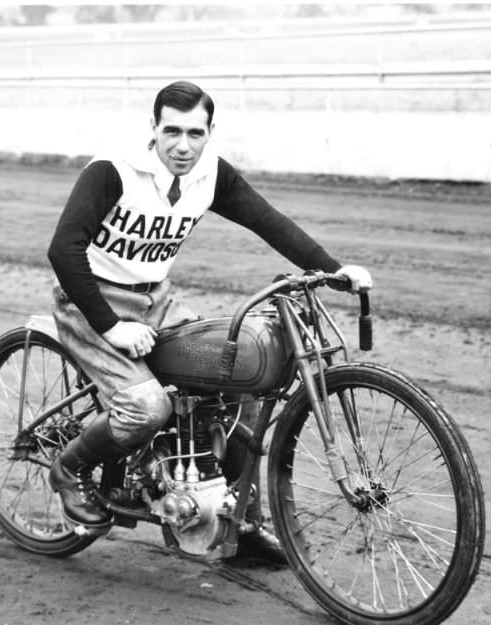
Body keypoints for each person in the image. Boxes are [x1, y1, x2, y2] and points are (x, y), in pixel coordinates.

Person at [47, 80, 372, 566]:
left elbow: (270, 222)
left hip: (156, 300)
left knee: (239, 376)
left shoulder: (210, 175)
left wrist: (332, 269)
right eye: (171, 131)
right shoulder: (113, 171)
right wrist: (111, 326)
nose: (183, 145)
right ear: (152, 129)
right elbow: (63, 250)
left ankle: (236, 522)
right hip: (89, 301)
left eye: (195, 133)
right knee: (146, 407)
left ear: (209, 132)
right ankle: (68, 469)